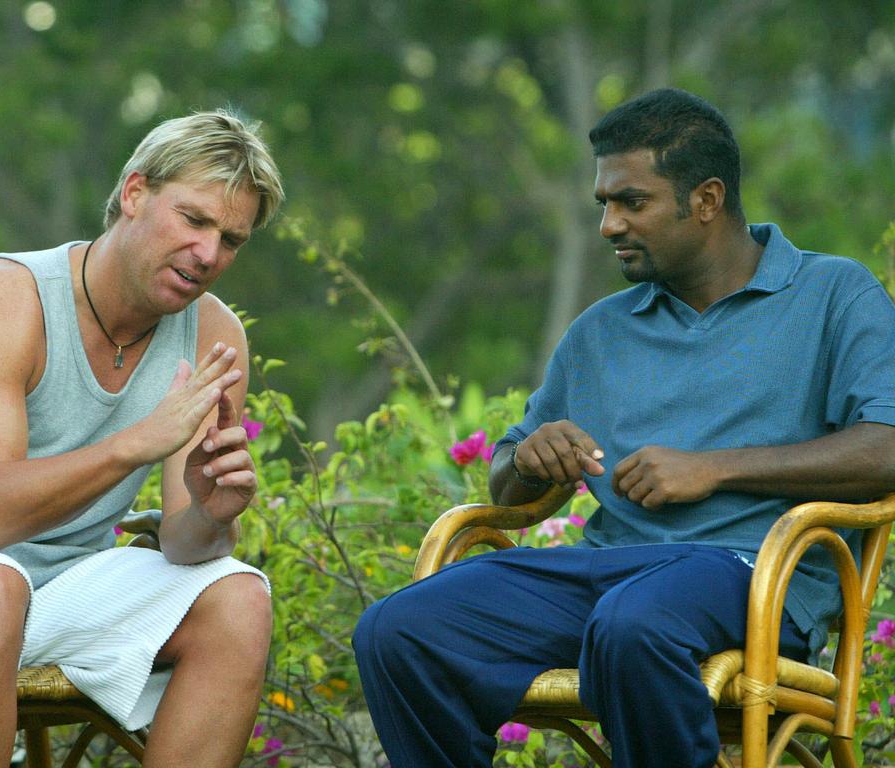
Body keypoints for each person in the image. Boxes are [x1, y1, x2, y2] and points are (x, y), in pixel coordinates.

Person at [353, 88, 895, 768]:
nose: (609, 224)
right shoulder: (600, 332)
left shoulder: (833, 295)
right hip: (604, 575)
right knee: (399, 629)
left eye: (631, 202)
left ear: (706, 200)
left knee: (636, 624)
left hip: (752, 577)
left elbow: (886, 447)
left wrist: (716, 468)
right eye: (604, 204)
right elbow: (510, 488)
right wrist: (529, 459)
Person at [0, 109, 284, 768]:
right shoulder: (4, 298)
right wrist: (138, 442)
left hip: (59, 581)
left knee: (238, 598)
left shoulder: (214, 334)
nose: (210, 254)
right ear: (134, 193)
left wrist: (210, 511)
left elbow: (185, 544)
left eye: (232, 239)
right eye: (194, 220)